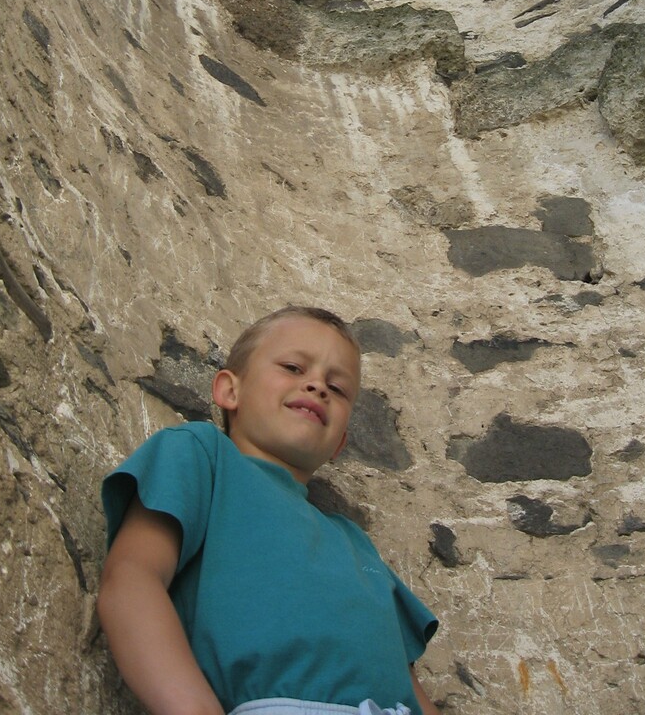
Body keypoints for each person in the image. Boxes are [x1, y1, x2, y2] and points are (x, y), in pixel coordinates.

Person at [97, 306, 440, 715]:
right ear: (230, 390)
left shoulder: (356, 544)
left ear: (339, 444)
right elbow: (132, 579)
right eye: (293, 367)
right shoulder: (204, 456)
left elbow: (407, 682)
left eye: (338, 388)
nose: (318, 386)